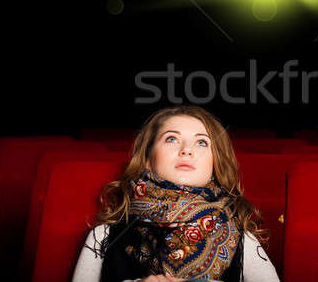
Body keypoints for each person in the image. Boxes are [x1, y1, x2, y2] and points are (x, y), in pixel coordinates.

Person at [72, 106, 280, 282]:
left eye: (201, 142)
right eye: (171, 139)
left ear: (215, 163)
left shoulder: (242, 238)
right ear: (147, 158)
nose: (187, 150)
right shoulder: (104, 235)